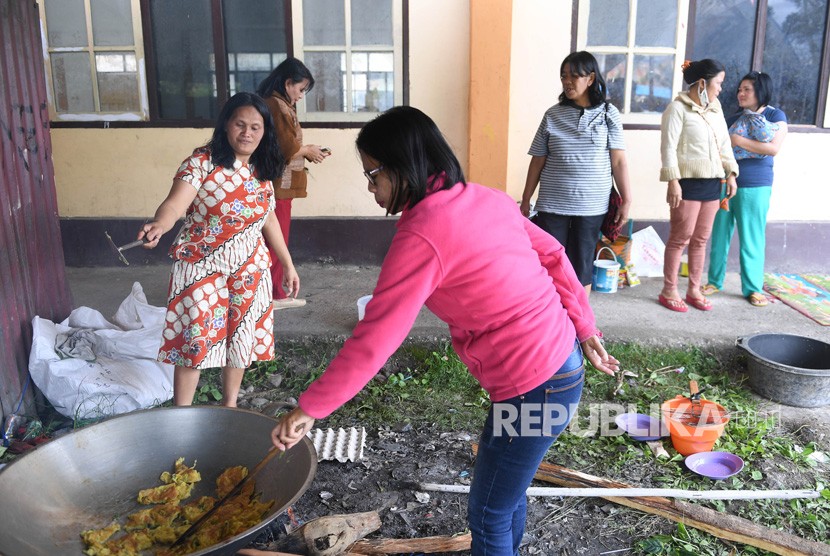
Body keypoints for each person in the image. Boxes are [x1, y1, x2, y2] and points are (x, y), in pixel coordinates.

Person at [270, 106, 619, 555]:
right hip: (556, 371)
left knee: (490, 510)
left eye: (372, 175)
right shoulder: (485, 197)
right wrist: (584, 329)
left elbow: (376, 336)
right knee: (502, 497)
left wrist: (310, 408)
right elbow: (554, 255)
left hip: (536, 384)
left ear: (401, 168)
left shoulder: (423, 233)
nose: (371, 187)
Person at [139, 92, 300, 406]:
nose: (247, 133)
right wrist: (160, 224)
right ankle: (182, 413)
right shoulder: (201, 162)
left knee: (241, 339)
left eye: (255, 127)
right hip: (202, 266)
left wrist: (288, 263)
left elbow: (267, 217)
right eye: (240, 124)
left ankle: (230, 407)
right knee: (194, 342)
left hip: (249, 267)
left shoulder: (262, 167)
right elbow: (175, 204)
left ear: (265, 131)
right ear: (226, 124)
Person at [520, 51, 632, 294]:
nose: (567, 81)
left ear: (590, 78)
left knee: (581, 267)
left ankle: (581, 325)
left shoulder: (608, 113)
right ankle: (553, 322)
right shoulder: (552, 115)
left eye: (574, 76)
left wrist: (627, 199)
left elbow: (619, 161)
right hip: (552, 204)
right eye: (563, 77)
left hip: (592, 205)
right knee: (550, 263)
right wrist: (527, 198)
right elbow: (538, 160)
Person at [658, 59, 738, 313]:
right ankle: (669, 289)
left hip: (713, 183)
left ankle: (694, 289)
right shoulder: (677, 109)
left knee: (701, 239)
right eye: (719, 83)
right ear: (702, 83)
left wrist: (731, 173)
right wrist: (673, 182)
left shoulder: (715, 109)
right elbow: (668, 148)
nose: (721, 89)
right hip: (687, 184)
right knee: (680, 238)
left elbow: (724, 144)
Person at [704, 71, 788, 307]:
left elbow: (772, 148)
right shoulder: (732, 119)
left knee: (752, 237)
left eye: (746, 90)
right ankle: (714, 281)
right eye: (739, 89)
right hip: (724, 182)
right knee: (719, 234)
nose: (740, 94)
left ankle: (752, 288)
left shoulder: (775, 115)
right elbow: (720, 149)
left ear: (761, 91)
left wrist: (738, 141)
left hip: (756, 184)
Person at [257, 57, 330, 310]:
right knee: (277, 239)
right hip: (278, 185)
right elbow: (286, 149)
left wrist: (308, 150)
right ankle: (275, 294)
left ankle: (270, 291)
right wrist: (307, 149)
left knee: (275, 238)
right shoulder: (277, 106)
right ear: (288, 83)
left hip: (279, 184)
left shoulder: (277, 103)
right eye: (300, 89)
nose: (300, 96)